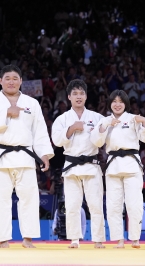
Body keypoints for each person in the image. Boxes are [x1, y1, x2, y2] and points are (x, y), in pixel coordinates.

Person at [0, 64, 54, 248]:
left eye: (15, 78)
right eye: (7, 78)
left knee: (29, 197)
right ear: (0, 81)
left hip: (25, 156)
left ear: (21, 81)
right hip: (0, 156)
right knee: (0, 199)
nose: (11, 81)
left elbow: (40, 131)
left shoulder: (31, 103)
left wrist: (43, 154)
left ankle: (28, 238)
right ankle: (3, 239)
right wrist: (6, 113)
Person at [91, 90, 145, 249]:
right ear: (110, 104)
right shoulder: (104, 120)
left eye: (120, 101)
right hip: (113, 166)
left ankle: (135, 238)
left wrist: (144, 122)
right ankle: (118, 239)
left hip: (132, 164)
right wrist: (105, 126)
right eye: (114, 101)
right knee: (113, 205)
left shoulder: (133, 119)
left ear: (126, 104)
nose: (117, 104)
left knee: (135, 204)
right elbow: (97, 142)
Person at [51, 79, 105, 249]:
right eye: (75, 93)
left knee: (95, 204)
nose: (78, 96)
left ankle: (98, 239)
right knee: (72, 205)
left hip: (92, 164)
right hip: (71, 166)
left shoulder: (97, 117)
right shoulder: (63, 119)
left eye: (81, 93)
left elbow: (104, 139)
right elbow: (56, 141)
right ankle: (74, 239)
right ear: (69, 97)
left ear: (86, 96)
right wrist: (71, 128)